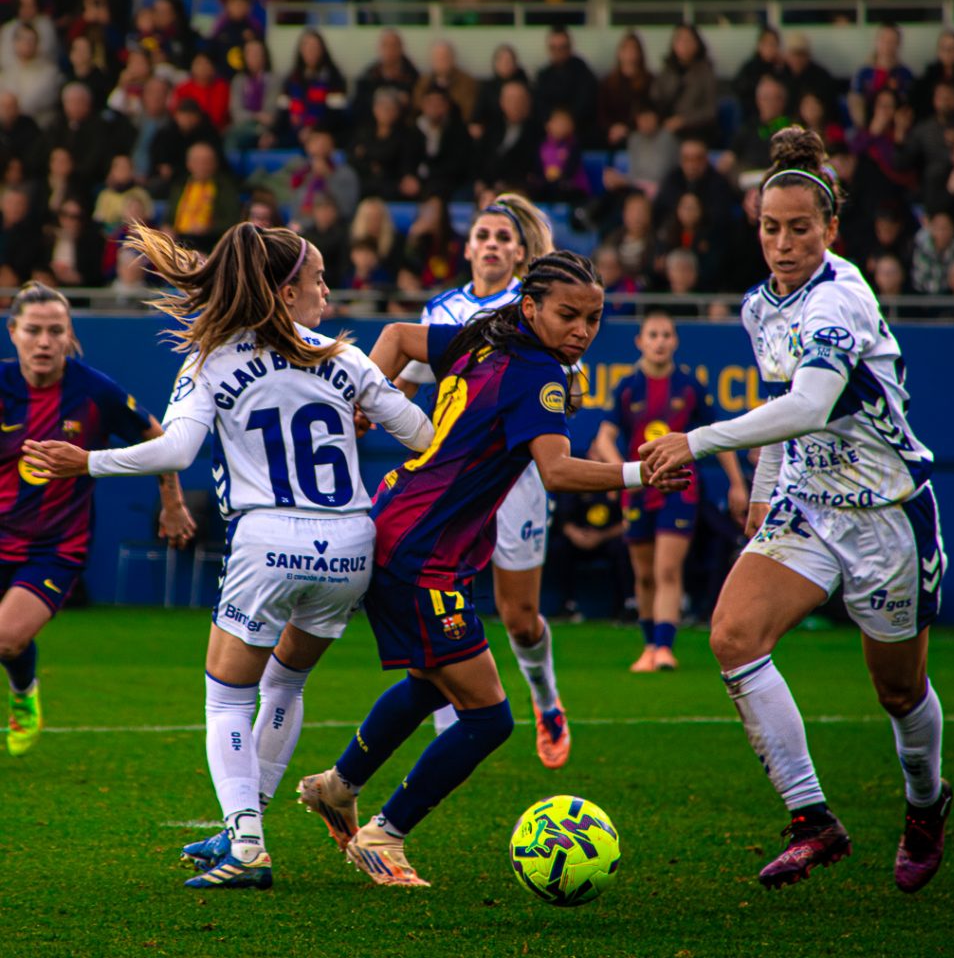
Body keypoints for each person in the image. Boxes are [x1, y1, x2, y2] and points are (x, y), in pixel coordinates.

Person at [23, 223, 435, 889]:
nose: (326, 293)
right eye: (317, 280)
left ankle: (245, 844)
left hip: (269, 540)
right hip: (352, 542)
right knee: (286, 683)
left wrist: (87, 461)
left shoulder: (215, 357)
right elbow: (423, 437)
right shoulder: (346, 358)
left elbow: (177, 452)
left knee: (226, 699)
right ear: (283, 291)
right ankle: (247, 827)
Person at [296, 249, 688, 887]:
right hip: (423, 550)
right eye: (569, 316)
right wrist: (643, 473)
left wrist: (366, 408)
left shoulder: (484, 336)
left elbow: (395, 338)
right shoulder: (538, 373)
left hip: (406, 524)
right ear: (530, 307)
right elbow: (556, 470)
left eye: (593, 319)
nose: (582, 332)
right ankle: (384, 836)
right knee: (488, 717)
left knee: (430, 685)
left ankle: (339, 787)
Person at [640, 126, 952, 894]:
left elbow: (812, 403)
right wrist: (765, 486)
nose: (783, 243)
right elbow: (784, 402)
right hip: (809, 508)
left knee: (898, 691)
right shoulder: (758, 306)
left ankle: (925, 801)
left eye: (800, 229)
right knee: (732, 635)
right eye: (771, 229)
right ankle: (814, 820)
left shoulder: (840, 299)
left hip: (884, 515)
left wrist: (699, 441)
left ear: (830, 229)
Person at [388, 193, 578, 765]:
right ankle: (452, 731)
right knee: (442, 597)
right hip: (452, 481)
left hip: (515, 478)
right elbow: (409, 383)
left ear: (520, 252)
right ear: (468, 248)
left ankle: (546, 698)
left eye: (503, 237)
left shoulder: (535, 307)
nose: (492, 244)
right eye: (484, 235)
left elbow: (562, 384)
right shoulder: (441, 311)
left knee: (520, 619)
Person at [2, 283, 194, 757]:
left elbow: (158, 440)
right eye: (34, 331)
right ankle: (22, 681)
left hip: (54, 548)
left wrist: (172, 503)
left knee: (5, 637)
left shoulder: (95, 392)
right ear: (13, 333)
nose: (44, 341)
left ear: (69, 334)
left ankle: (24, 695)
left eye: (55, 331)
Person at [595, 311, 748, 671]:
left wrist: (738, 484)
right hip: (638, 490)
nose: (660, 341)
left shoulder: (689, 387)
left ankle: (664, 647)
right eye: (653, 335)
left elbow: (718, 436)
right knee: (644, 574)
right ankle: (649, 646)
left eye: (666, 335)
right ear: (640, 342)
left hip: (680, 488)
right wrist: (622, 474)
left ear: (675, 342)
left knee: (666, 569)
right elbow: (604, 437)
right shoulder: (628, 386)